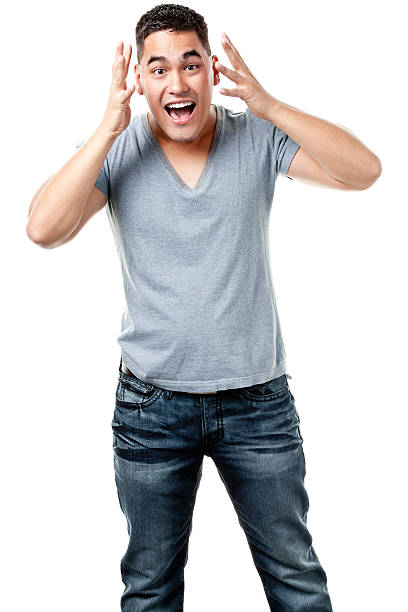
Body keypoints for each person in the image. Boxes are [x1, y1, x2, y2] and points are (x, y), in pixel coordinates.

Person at [26, 3, 381, 610]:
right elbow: (43, 229)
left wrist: (267, 104)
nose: (177, 82)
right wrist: (108, 127)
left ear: (211, 70)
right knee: (150, 588)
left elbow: (363, 171)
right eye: (158, 68)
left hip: (258, 404)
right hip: (151, 407)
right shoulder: (120, 149)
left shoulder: (255, 138)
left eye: (191, 64)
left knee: (298, 582)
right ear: (139, 78)